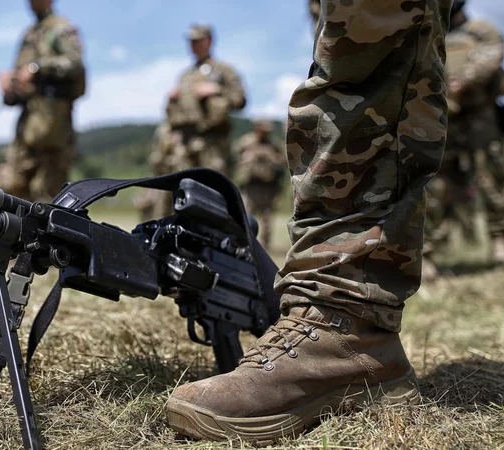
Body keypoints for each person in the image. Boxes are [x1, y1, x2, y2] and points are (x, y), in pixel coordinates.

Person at [165, 0, 450, 442]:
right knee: (348, 59)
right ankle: (351, 333)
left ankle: (342, 322)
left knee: (364, 64)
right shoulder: (183, 75)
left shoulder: (220, 72)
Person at [424, 0, 504, 270]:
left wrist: (464, 80)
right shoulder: (431, 33)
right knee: (435, 184)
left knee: (489, 179)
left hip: (479, 116)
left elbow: (493, 55)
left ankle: (500, 240)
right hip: (444, 116)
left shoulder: (481, 29)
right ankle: (427, 252)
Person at [0, 0, 86, 202]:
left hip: (53, 127)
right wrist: (9, 84)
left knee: (47, 198)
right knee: (12, 190)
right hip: (27, 127)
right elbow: (21, 82)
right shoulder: (29, 34)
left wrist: (36, 68)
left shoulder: (61, 28)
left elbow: (75, 63)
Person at [165, 24, 247, 177]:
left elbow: (240, 100)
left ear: (208, 41)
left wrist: (217, 89)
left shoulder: (223, 70)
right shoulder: (185, 75)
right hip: (185, 143)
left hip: (213, 144)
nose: (192, 45)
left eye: (196, 40)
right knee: (184, 188)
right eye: (190, 41)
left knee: (213, 190)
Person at [232, 120, 285, 250]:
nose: (266, 134)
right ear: (257, 129)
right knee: (246, 215)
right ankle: (243, 242)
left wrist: (270, 157)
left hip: (268, 187)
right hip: (250, 186)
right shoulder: (246, 141)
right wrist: (248, 157)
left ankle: (264, 246)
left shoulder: (274, 144)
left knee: (267, 218)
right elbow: (234, 155)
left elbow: (283, 160)